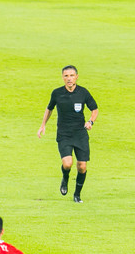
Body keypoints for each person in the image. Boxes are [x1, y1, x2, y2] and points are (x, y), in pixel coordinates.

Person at [38, 65, 98, 203]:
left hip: (80, 134)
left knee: (82, 166)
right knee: (67, 164)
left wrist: (91, 121)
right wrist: (43, 125)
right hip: (64, 134)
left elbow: (94, 109)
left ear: (77, 77)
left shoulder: (83, 92)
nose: (69, 78)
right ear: (62, 78)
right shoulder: (57, 93)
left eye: (71, 75)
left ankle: (77, 195)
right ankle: (65, 179)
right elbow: (49, 109)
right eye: (66, 76)